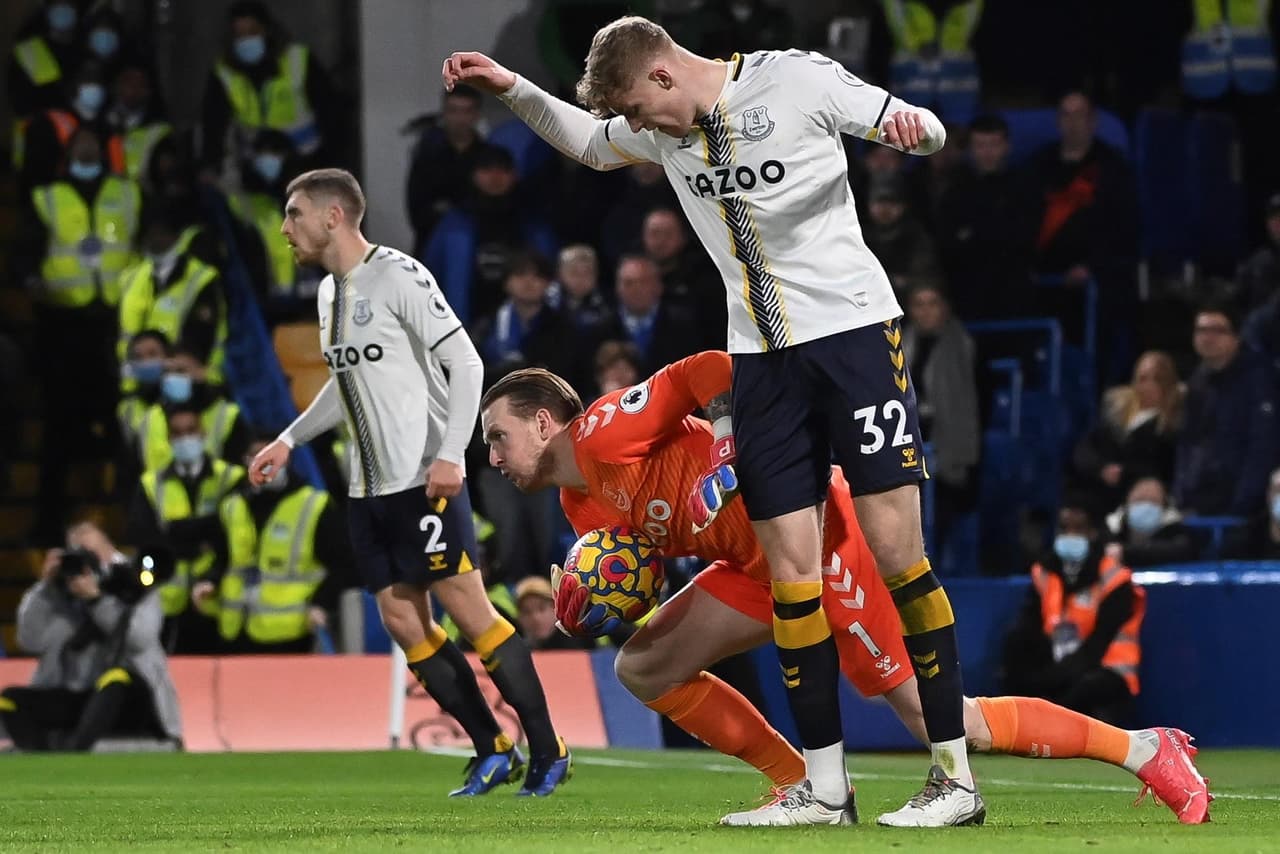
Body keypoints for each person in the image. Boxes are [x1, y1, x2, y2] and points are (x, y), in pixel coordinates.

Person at [445, 16, 975, 825]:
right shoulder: (662, 133)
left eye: (642, 110)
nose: (642, 132)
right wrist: (511, 86)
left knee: (902, 555)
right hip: (760, 365)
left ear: (663, 76)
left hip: (854, 336)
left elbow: (911, 123)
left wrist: (921, 132)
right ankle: (825, 791)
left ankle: (954, 780)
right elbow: (589, 142)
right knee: (790, 576)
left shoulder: (795, 80)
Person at [477, 353, 1212, 825]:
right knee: (641, 664)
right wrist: (597, 597)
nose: (494, 456)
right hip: (750, 567)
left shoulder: (604, 432)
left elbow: (708, 369)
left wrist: (728, 448)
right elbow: (652, 554)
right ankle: (804, 783)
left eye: (499, 437)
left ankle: (1144, 749)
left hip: (817, 538)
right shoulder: (579, 507)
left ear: (545, 423)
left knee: (946, 723)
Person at [248, 168, 570, 796]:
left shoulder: (398, 275)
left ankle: (549, 746)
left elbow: (467, 361)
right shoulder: (326, 295)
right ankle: (491, 748)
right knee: (402, 620)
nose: (285, 228)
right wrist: (289, 441)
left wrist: (452, 455)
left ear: (334, 215)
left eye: (294, 214)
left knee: (471, 614)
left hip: (423, 479)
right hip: (367, 491)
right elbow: (345, 390)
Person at [0, 521, 182, 752]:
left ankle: (75, 752)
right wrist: (44, 587)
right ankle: (41, 759)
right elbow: (29, 639)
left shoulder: (136, 584)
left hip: (131, 700)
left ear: (110, 550)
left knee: (115, 680)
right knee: (9, 700)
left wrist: (98, 601)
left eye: (96, 554)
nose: (92, 564)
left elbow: (140, 638)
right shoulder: (63, 593)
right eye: (82, 555)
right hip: (80, 697)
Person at [1004, 498, 1147, 728]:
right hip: (1058, 662)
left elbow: (1099, 643)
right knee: (1016, 646)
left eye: (1078, 529)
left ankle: (1056, 721)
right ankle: (1011, 724)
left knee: (1088, 686)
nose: (1070, 536)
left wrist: (1054, 676)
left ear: (1093, 533)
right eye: (1064, 529)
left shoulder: (1115, 579)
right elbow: (1029, 625)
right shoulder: (1045, 571)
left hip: (1105, 669)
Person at [212, 437, 351, 653]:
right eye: (258, 456)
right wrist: (209, 581)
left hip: (292, 633)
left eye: (272, 455)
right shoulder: (232, 504)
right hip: (236, 629)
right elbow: (222, 558)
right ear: (246, 461)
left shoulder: (313, 505)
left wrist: (322, 603)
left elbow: (342, 564)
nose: (267, 463)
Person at [1103, 477, 1197, 568]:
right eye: (1140, 499)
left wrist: (1126, 552)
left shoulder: (1177, 530)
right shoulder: (1111, 527)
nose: (1146, 505)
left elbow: (1180, 551)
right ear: (1127, 502)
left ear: (1164, 506)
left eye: (1153, 501)